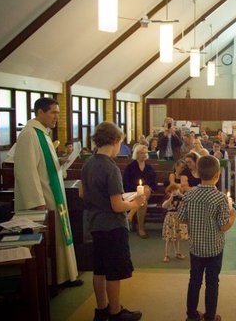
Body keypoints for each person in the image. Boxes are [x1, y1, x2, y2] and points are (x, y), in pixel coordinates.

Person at [80, 121, 146, 321]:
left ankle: (101, 310)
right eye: (120, 143)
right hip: (112, 226)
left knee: (99, 269)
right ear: (115, 141)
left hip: (95, 223)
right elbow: (117, 205)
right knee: (114, 271)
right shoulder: (110, 167)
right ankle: (116, 312)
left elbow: (82, 193)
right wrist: (136, 202)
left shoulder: (88, 163)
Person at [13, 97, 81, 288]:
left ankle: (62, 276)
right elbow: (26, 171)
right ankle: (51, 280)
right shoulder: (29, 135)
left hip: (54, 195)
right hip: (44, 200)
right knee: (51, 241)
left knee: (60, 237)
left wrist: (60, 163)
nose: (57, 116)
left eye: (58, 112)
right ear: (40, 112)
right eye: (53, 112)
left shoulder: (43, 134)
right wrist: (37, 202)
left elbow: (43, 166)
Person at [177, 155, 236, 321]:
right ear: (217, 175)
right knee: (212, 282)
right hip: (214, 248)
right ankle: (210, 316)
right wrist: (233, 216)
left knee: (194, 281)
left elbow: (181, 218)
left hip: (195, 247)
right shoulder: (220, 198)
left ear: (197, 173)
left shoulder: (189, 195)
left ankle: (191, 315)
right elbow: (224, 226)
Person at [122, 144, 156, 239]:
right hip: (132, 193)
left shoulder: (149, 167)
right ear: (137, 154)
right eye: (142, 153)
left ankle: (131, 214)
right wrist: (137, 189)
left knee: (145, 190)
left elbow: (153, 183)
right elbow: (125, 183)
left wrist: (146, 187)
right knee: (143, 203)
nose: (144, 155)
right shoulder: (130, 167)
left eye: (145, 153)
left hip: (147, 193)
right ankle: (141, 229)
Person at [162, 176, 187, 262]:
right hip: (170, 218)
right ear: (169, 192)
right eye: (173, 190)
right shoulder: (168, 199)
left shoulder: (181, 199)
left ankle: (177, 252)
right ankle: (167, 254)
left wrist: (180, 194)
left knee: (177, 237)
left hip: (178, 217)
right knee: (169, 238)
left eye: (177, 190)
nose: (175, 192)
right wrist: (170, 198)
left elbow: (187, 200)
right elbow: (164, 206)